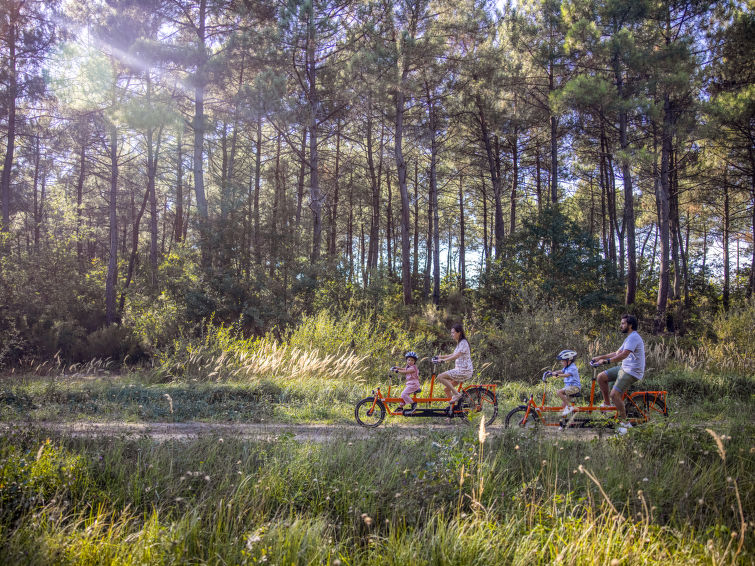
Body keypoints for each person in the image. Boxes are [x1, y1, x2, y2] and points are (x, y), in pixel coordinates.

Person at [591, 314, 646, 435]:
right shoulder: (629, 337)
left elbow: (624, 355)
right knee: (601, 377)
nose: (620, 326)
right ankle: (607, 404)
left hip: (632, 371)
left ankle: (625, 424)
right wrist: (600, 357)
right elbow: (617, 352)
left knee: (614, 394)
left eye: (623, 324)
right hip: (624, 368)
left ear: (630, 325)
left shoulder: (634, 338)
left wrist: (607, 361)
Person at [432, 323, 473, 411]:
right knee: (446, 389)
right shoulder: (459, 343)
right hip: (459, 370)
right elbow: (453, 354)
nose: (452, 334)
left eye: (453, 332)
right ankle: (452, 411)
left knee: (440, 377)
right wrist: (440, 357)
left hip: (463, 371)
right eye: (451, 333)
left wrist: (443, 360)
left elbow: (456, 356)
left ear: (459, 333)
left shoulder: (464, 343)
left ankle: (457, 394)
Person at [548, 349, 580, 417]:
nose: (561, 362)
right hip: (569, 387)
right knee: (563, 406)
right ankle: (564, 423)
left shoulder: (573, 367)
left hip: (574, 388)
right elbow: (561, 371)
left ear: (569, 361)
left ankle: (569, 407)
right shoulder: (566, 367)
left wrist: (558, 375)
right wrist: (553, 372)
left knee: (559, 392)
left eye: (563, 361)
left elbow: (567, 374)